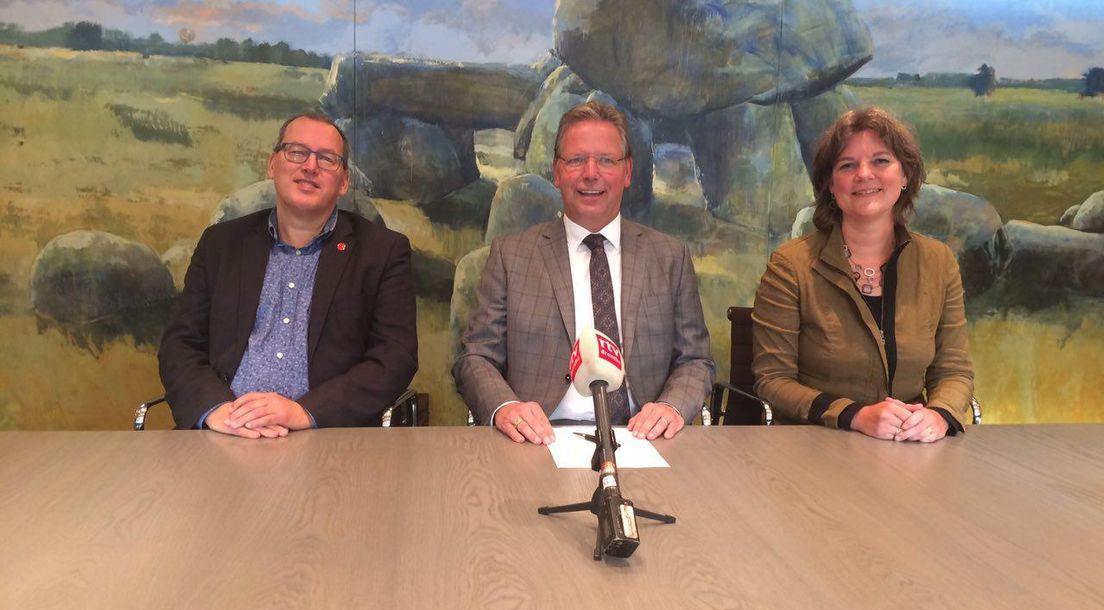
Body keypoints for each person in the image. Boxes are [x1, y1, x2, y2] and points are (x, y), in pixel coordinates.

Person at [453, 101, 714, 444]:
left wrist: (671, 407)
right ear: (557, 172)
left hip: (643, 437)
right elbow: (475, 357)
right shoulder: (511, 255)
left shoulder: (669, 257)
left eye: (606, 160)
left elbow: (695, 360)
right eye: (576, 160)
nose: (591, 173)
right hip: (539, 439)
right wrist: (506, 407)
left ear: (628, 171)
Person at [158, 114, 418, 437]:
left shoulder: (382, 252)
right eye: (296, 152)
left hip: (326, 439)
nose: (310, 166)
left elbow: (395, 358)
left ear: (344, 182)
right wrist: (215, 411)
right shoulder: (220, 245)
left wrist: (303, 412)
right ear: (272, 165)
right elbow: (179, 346)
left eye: (327, 158)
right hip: (223, 433)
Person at [752, 107, 973, 442]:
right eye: (847, 165)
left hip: (911, 449)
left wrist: (939, 415)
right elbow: (772, 380)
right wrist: (854, 416)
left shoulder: (939, 263)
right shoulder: (790, 266)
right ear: (829, 184)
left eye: (881, 161)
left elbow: (954, 371)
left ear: (905, 176)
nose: (864, 174)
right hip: (815, 445)